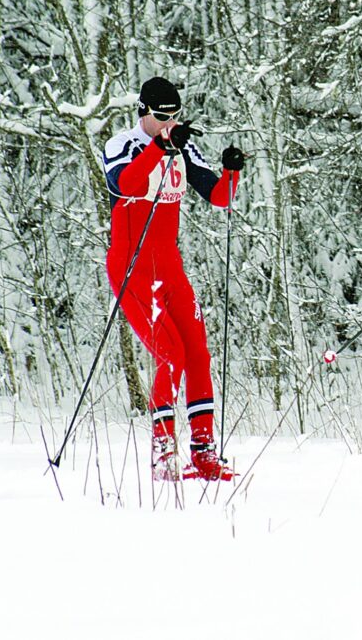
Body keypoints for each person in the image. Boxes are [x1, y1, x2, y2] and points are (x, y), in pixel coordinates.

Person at [101, 77, 245, 481]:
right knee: (170, 354)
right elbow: (125, 184)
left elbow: (218, 196)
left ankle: (203, 451)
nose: (170, 124)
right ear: (143, 112)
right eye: (162, 117)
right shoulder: (122, 145)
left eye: (175, 116)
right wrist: (159, 148)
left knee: (197, 352)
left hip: (169, 267)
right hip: (132, 268)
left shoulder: (181, 146)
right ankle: (163, 451)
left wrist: (231, 172)